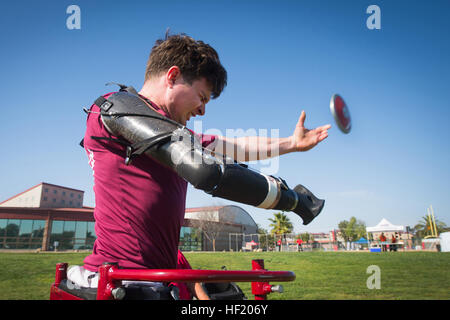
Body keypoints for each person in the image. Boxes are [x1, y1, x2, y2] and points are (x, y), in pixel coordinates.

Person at [72, 32, 330, 299]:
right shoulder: (113, 108)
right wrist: (291, 200)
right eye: (202, 97)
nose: (203, 110)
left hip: (160, 278)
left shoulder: (175, 137)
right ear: (172, 77)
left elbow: (236, 146)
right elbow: (204, 171)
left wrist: (291, 142)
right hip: (120, 281)